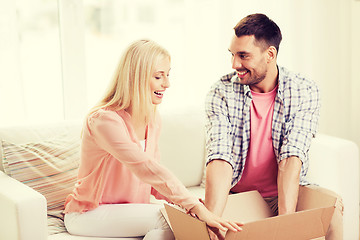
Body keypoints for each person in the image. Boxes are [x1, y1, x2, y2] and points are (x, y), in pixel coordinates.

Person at [63, 39, 242, 239]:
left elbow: (152, 184)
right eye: (159, 76)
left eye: (168, 74)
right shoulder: (104, 121)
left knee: (174, 225)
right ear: (136, 78)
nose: (167, 83)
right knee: (166, 218)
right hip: (88, 214)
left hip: (127, 211)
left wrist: (194, 206)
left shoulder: (153, 119)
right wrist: (191, 204)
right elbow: (146, 169)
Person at [204, 13, 343, 240]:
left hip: (286, 193)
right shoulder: (222, 91)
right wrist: (211, 219)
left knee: (333, 210)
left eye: (243, 55)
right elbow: (220, 156)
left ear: (270, 54)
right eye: (232, 55)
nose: (234, 64)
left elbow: (292, 156)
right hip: (242, 194)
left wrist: (285, 226)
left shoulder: (304, 90)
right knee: (215, 230)